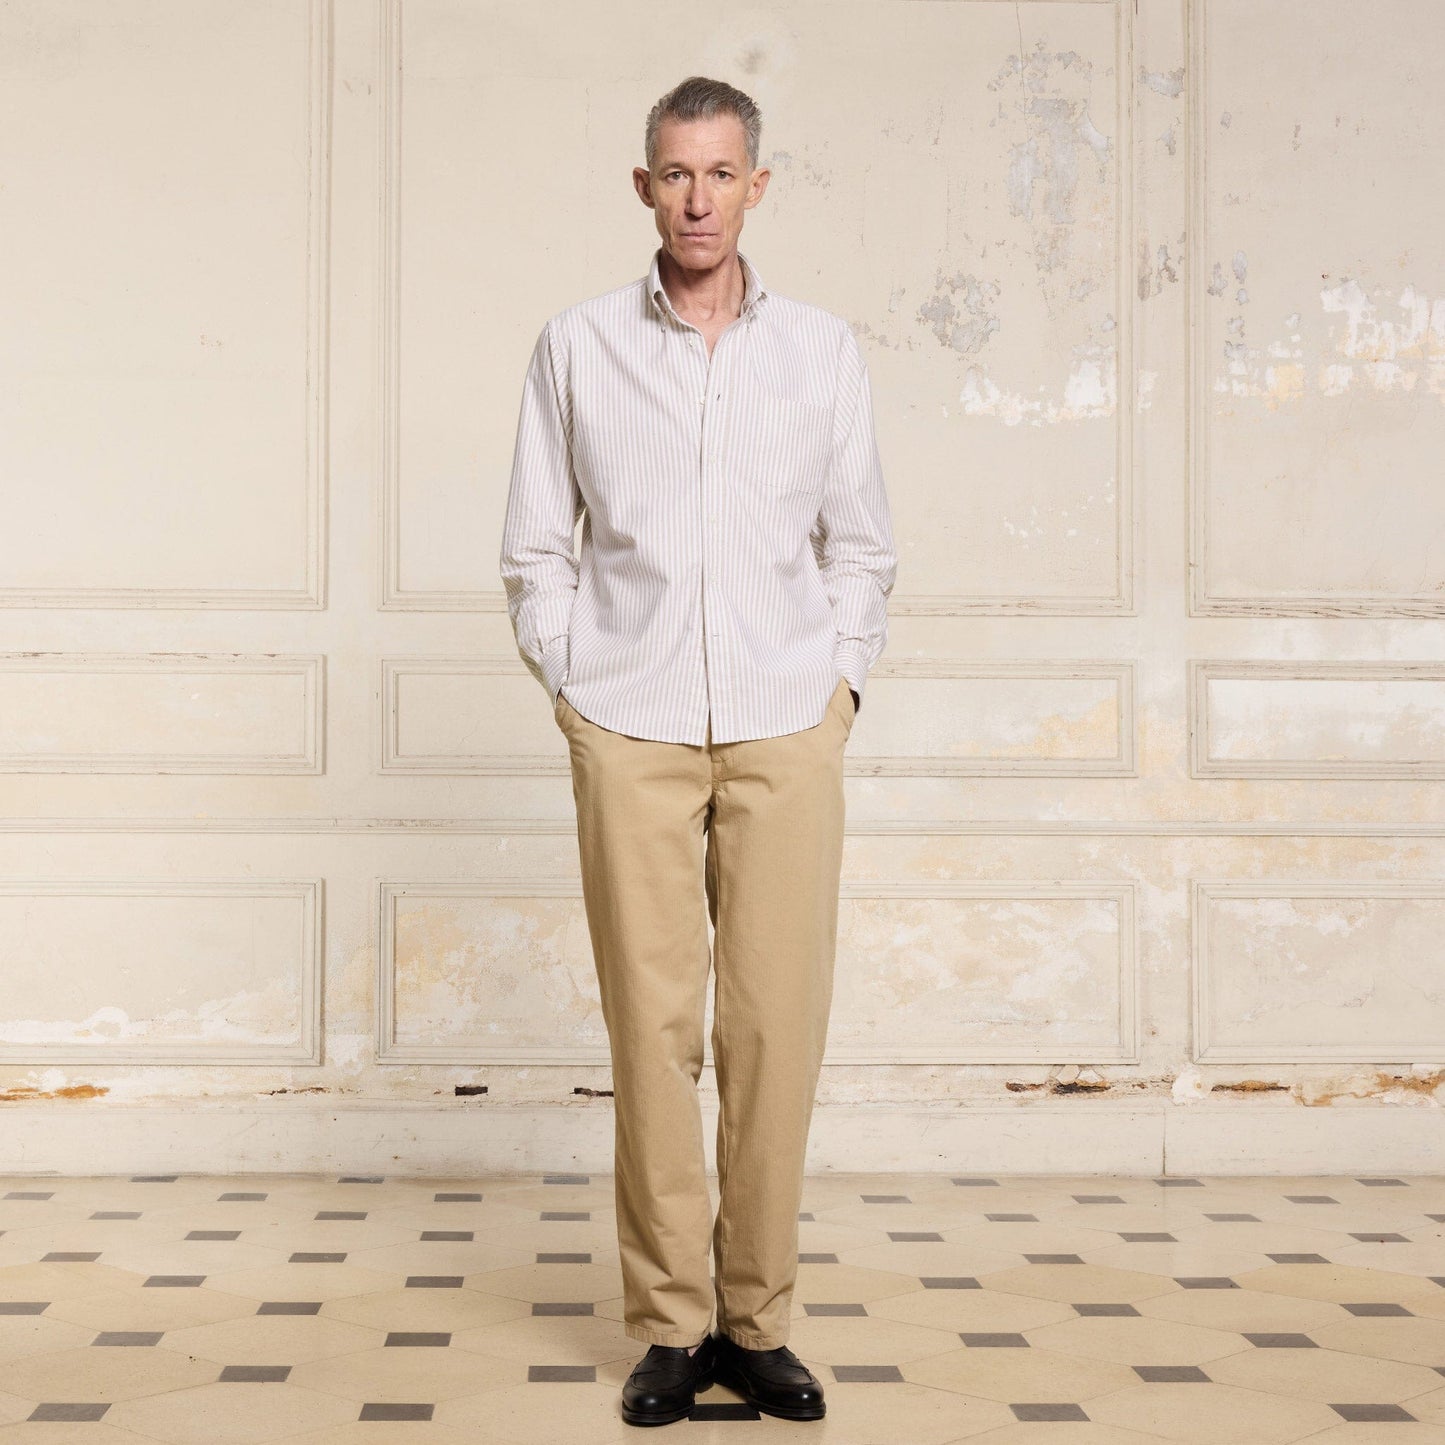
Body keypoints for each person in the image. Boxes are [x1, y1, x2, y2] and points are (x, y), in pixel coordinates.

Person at [498, 73, 897, 1427]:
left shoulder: (822, 351)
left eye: (721, 173)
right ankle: (672, 1326)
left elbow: (861, 543)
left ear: (756, 187)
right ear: (643, 187)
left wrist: (839, 686)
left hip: (787, 722)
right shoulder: (576, 345)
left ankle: (758, 1321)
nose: (697, 199)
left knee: (775, 1029)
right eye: (675, 173)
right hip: (631, 723)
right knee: (652, 1028)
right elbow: (535, 547)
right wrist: (576, 686)